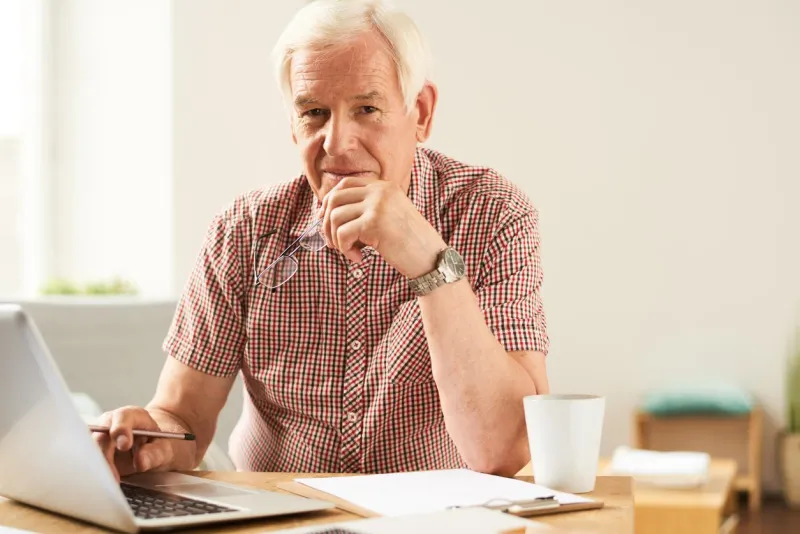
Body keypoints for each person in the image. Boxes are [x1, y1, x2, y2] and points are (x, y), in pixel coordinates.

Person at [94, 0, 550, 480]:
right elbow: (182, 419)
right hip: (277, 518)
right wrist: (152, 439)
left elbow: (503, 450)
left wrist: (427, 260)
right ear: (293, 124)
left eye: (367, 109)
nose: (337, 142)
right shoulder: (243, 231)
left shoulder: (491, 211)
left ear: (420, 112)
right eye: (314, 112)